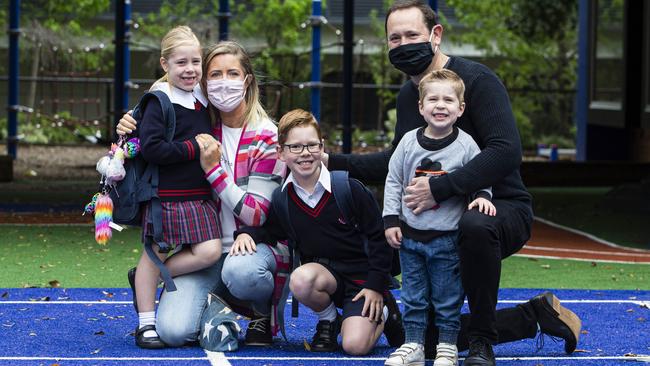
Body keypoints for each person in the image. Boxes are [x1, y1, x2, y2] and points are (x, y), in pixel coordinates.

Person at [324, 1, 582, 365]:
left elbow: (506, 151)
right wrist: (329, 161)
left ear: (435, 34)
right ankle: (534, 315)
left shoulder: (477, 81)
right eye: (394, 39)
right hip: (431, 217)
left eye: (412, 35)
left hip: (496, 207)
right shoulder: (409, 96)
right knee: (416, 338)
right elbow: (396, 160)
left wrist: (441, 188)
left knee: (474, 226)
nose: (403, 44)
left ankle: (480, 342)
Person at [117, 40, 289, 348]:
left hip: (251, 250)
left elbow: (256, 212)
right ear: (204, 82)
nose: (224, 82)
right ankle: (213, 310)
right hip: (201, 254)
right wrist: (130, 123)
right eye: (216, 74)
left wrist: (213, 170)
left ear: (247, 80)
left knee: (242, 271)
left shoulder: (267, 135)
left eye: (233, 73)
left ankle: (259, 313)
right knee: (172, 331)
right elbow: (158, 111)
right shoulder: (201, 121)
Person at [233, 109, 404, 355]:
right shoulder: (283, 199)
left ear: (322, 147)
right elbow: (271, 230)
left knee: (354, 346)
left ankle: (386, 312)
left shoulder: (349, 189)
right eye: (295, 147)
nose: (305, 154)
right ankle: (329, 319)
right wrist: (247, 233)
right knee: (301, 279)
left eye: (312, 145)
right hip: (325, 279)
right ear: (281, 153)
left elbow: (379, 239)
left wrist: (376, 286)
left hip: (362, 281)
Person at [383, 69, 495, 366]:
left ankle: (447, 346)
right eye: (433, 98)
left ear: (461, 108)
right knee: (414, 296)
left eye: (448, 99)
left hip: (446, 239)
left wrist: (483, 196)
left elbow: (479, 175)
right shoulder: (408, 142)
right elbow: (394, 180)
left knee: (447, 298)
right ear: (421, 107)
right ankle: (414, 345)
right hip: (410, 237)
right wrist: (391, 219)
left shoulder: (466, 145)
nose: (440, 105)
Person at [127, 25, 222, 349]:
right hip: (164, 196)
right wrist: (194, 149)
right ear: (164, 64)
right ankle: (146, 324)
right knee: (152, 254)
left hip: (198, 195)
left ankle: (151, 276)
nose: (190, 69)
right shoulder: (160, 100)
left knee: (209, 252)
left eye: (196, 62)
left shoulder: (202, 97)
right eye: (181, 63)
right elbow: (151, 148)